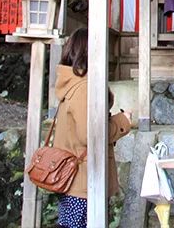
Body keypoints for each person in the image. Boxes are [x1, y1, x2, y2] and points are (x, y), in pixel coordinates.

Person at [53, 28, 132, 228]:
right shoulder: (83, 87)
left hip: (75, 178)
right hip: (83, 180)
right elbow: (90, 133)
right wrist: (123, 121)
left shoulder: (72, 82)